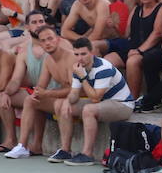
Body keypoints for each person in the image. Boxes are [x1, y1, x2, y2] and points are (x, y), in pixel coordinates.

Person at [48, 37, 134, 165]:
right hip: (103, 102)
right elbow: (75, 94)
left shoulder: (103, 68)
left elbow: (95, 98)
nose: (80, 58)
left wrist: (83, 77)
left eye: (83, 54)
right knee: (60, 104)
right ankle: (66, 150)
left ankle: (87, 154)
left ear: (91, 52)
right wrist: (67, 100)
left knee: (89, 110)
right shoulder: (78, 68)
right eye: (76, 54)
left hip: (122, 104)